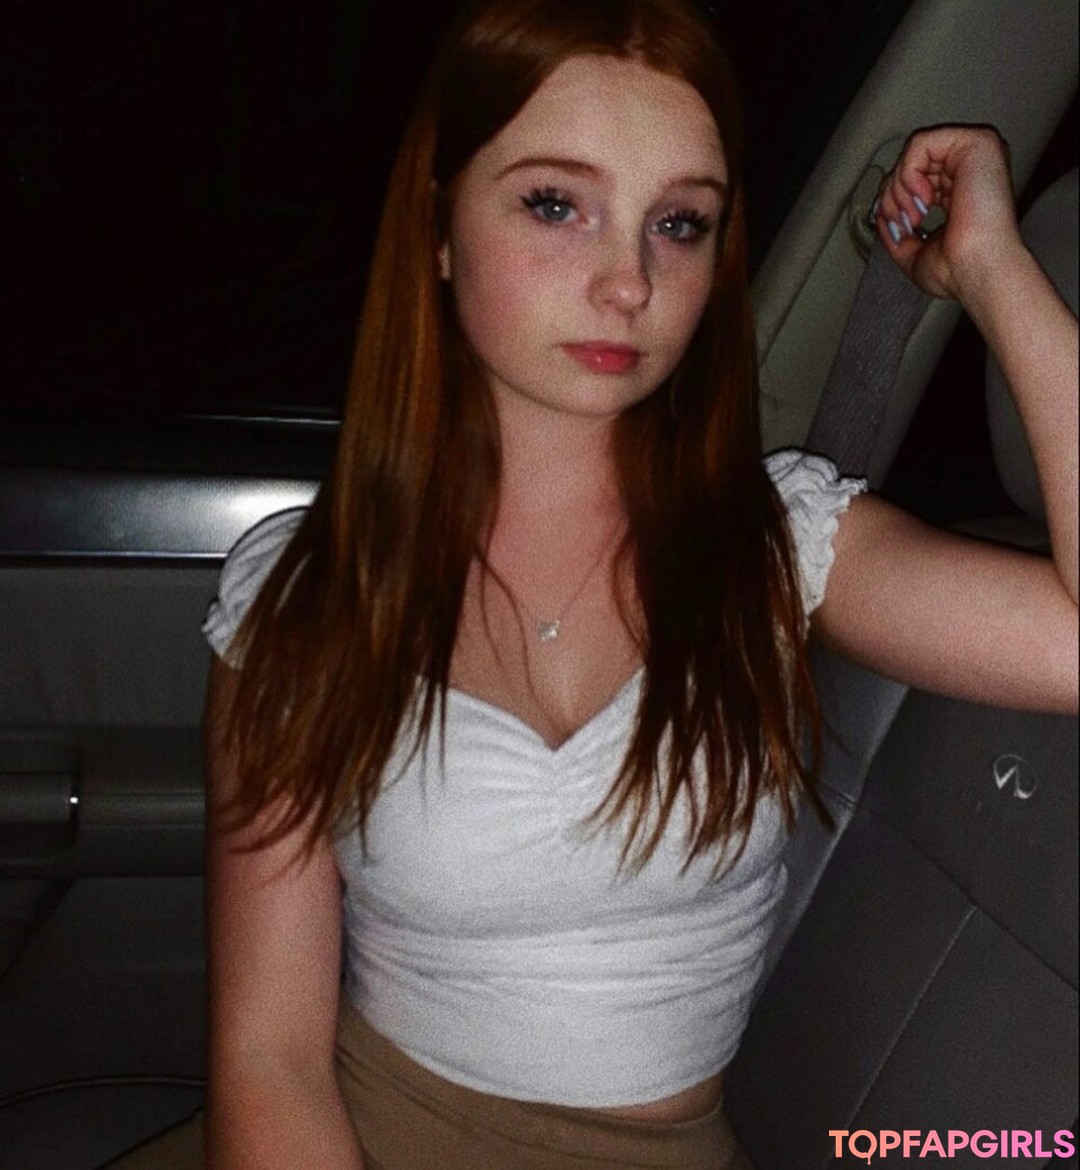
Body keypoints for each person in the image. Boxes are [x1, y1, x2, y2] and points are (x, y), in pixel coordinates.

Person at [107, 0, 1078, 1167]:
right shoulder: (303, 595)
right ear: (440, 227)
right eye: (557, 205)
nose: (628, 281)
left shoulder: (778, 545)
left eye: (679, 223)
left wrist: (994, 268)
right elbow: (271, 1061)